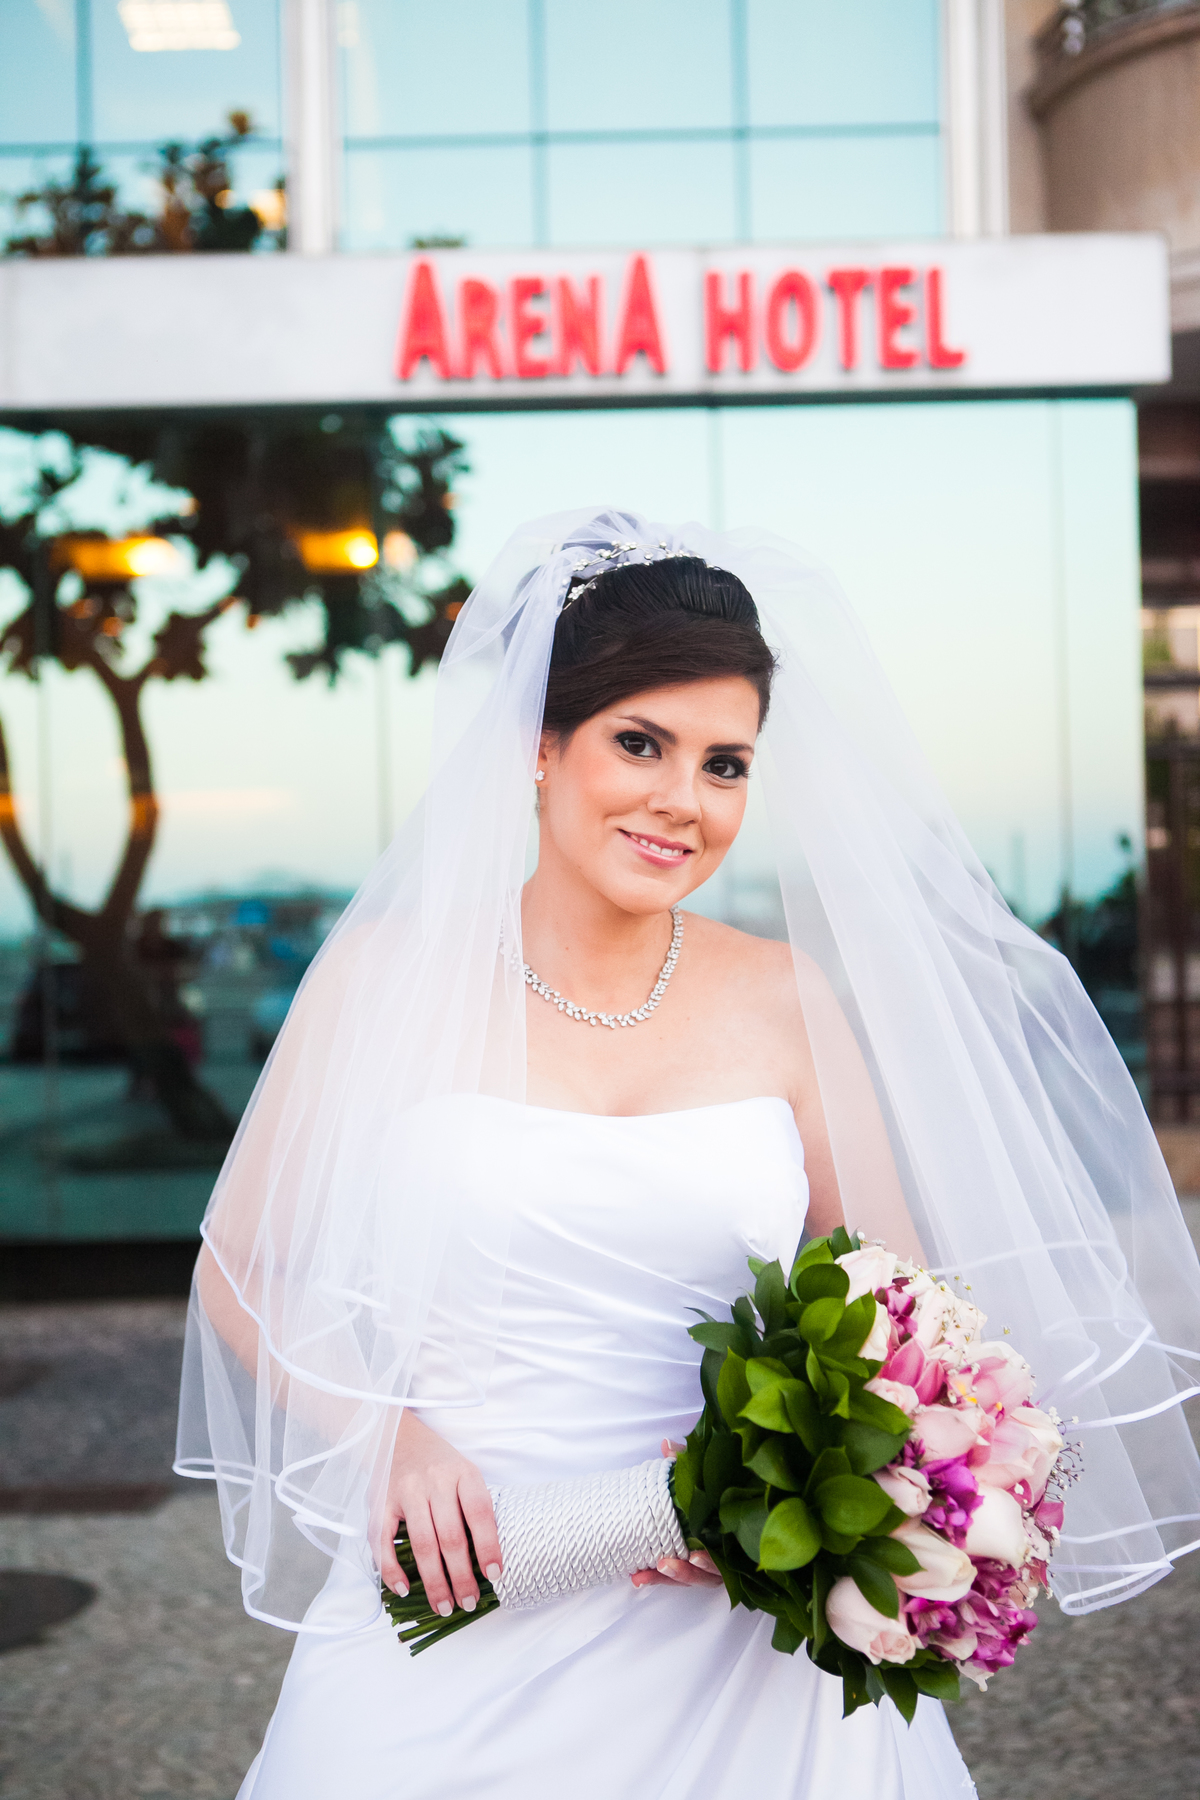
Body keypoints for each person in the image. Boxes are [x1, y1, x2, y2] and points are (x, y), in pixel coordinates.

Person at [176, 510, 1200, 1800]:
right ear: (541, 749)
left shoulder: (787, 998)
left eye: (726, 766)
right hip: (466, 1573)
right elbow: (240, 1265)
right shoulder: (390, 982)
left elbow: (902, 1304)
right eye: (640, 744)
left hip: (733, 1627)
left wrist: (805, 1482)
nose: (682, 801)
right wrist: (389, 1437)